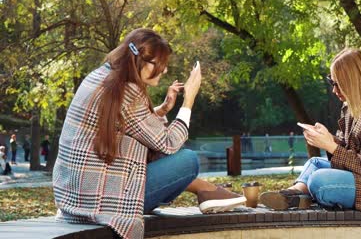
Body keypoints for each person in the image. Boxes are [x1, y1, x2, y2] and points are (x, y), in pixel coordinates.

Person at [52, 29, 245, 239]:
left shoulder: (101, 76)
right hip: (106, 202)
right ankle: (205, 189)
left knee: (164, 159)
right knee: (188, 161)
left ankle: (205, 190)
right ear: (142, 61)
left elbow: (129, 126)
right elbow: (169, 144)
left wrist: (162, 111)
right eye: (160, 64)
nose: (165, 70)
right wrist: (189, 100)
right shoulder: (129, 93)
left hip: (73, 198)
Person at [260, 48, 361, 213]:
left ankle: (301, 197)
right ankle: (293, 195)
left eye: (338, 84)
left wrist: (331, 146)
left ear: (354, 82)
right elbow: (351, 150)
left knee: (319, 181)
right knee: (314, 163)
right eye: (332, 82)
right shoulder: (353, 105)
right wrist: (328, 138)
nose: (334, 90)